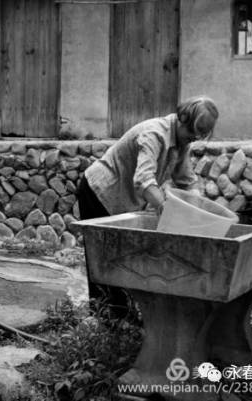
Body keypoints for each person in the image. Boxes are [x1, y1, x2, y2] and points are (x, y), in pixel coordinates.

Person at [77, 96, 219, 315]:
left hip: (124, 200)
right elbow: (143, 180)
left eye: (196, 138)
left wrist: (199, 211)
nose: (191, 140)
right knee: (102, 259)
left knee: (122, 257)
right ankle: (105, 319)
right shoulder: (154, 134)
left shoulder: (182, 143)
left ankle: (123, 314)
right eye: (191, 134)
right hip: (99, 192)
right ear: (182, 119)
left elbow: (187, 181)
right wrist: (165, 208)